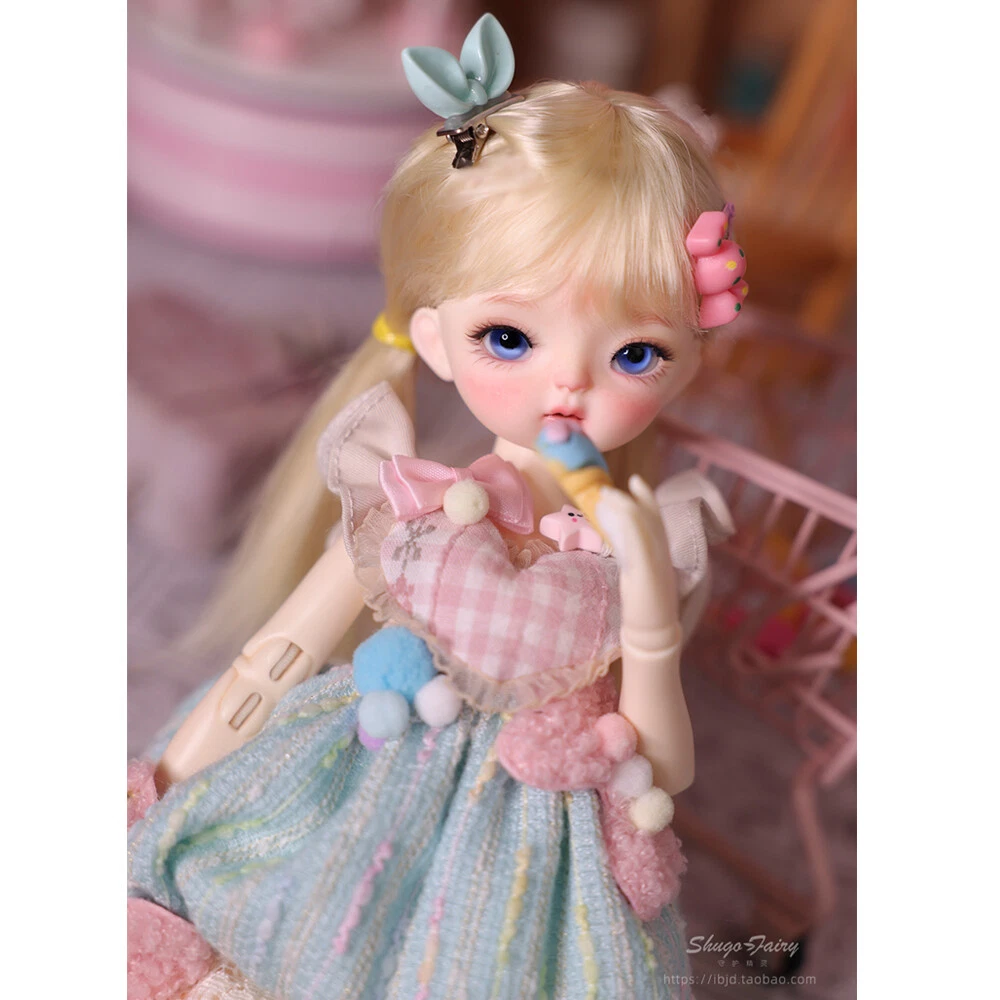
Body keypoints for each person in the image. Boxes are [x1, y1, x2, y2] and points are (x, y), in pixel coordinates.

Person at [127, 15, 746, 999]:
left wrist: (651, 625)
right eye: (510, 337)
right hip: (369, 774)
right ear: (433, 338)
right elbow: (280, 653)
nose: (568, 387)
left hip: (533, 853)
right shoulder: (414, 505)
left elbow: (659, 774)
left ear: (686, 362)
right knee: (284, 922)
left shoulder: (632, 547)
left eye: (636, 353)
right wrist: (167, 781)